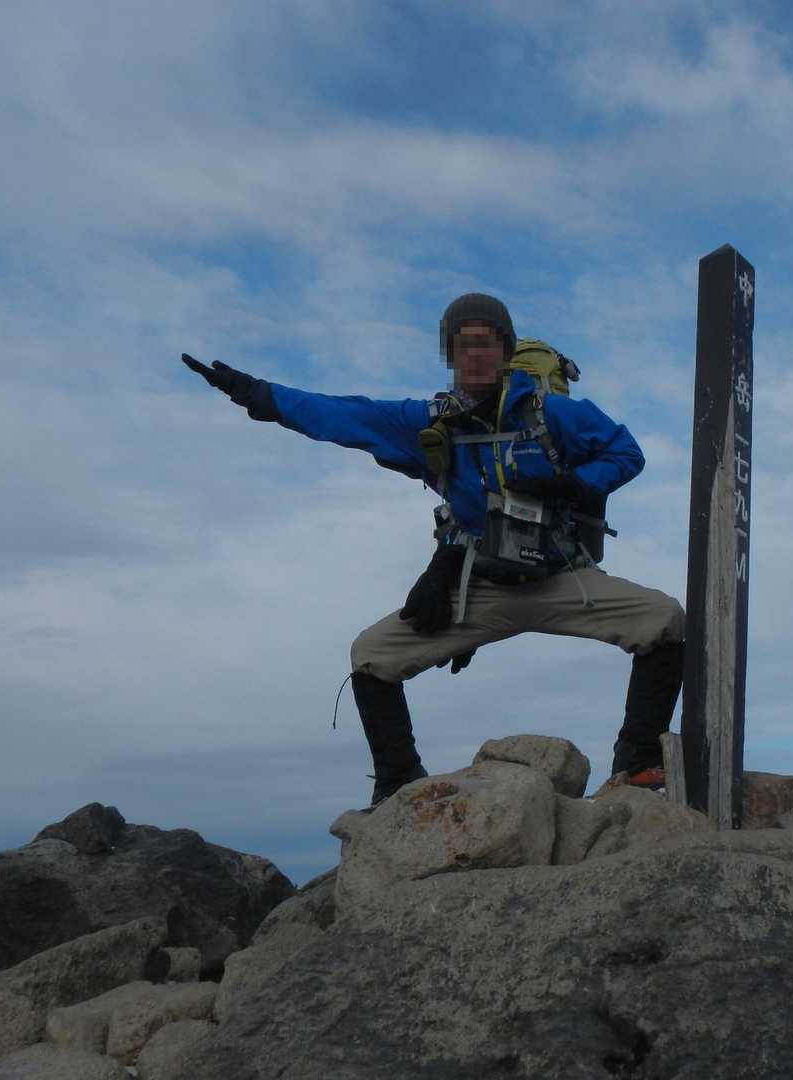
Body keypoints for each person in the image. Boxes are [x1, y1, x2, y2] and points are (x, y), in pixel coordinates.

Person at [182, 292, 685, 807]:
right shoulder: (430, 425)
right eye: (463, 345)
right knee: (373, 655)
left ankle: (637, 764)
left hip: (561, 577)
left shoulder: (552, 415)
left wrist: (574, 485)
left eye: (485, 343)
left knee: (664, 620)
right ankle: (398, 781)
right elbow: (344, 415)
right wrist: (257, 394)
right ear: (451, 355)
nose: (475, 355)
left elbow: (626, 452)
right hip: (478, 587)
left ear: (506, 351)